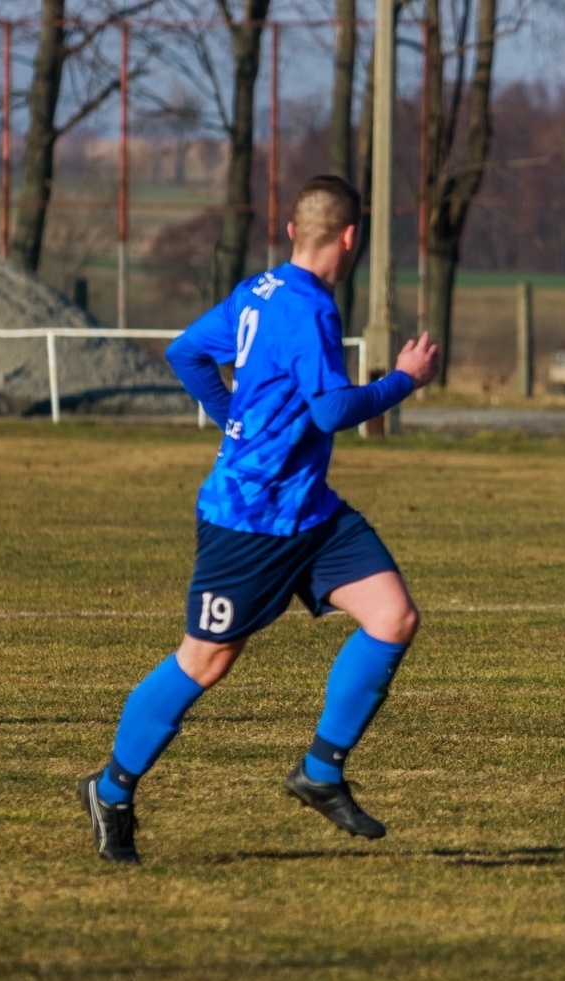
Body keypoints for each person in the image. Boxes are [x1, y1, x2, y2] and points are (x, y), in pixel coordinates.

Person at [78, 175, 440, 864]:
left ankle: (322, 771)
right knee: (207, 660)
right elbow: (332, 410)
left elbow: (187, 351)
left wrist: (229, 417)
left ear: (289, 231)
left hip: (310, 511)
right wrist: (405, 381)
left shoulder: (259, 290)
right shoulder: (309, 310)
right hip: (247, 520)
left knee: (393, 616)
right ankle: (112, 788)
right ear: (351, 237)